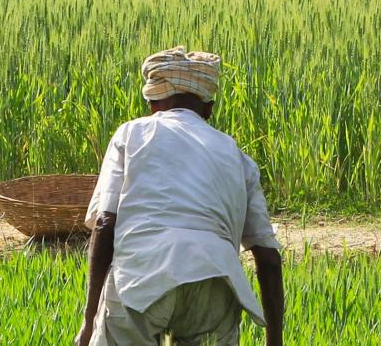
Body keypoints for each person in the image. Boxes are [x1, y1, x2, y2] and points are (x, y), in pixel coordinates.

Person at [77, 47, 286, 346]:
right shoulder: (237, 157)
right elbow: (268, 257)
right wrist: (275, 341)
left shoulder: (131, 134)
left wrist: (89, 321)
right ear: (209, 109)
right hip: (216, 281)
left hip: (142, 275)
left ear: (152, 104)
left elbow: (104, 222)